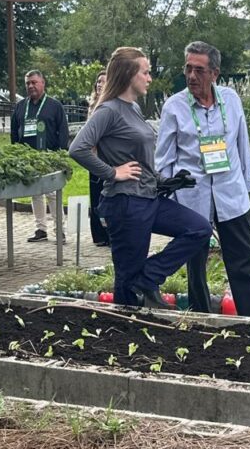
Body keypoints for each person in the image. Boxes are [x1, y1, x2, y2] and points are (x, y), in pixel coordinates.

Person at [69, 47, 211, 307]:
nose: (149, 78)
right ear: (128, 74)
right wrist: (112, 172)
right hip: (125, 204)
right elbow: (77, 148)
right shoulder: (108, 111)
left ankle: (148, 278)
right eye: (145, 72)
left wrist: (163, 180)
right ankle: (122, 334)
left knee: (199, 228)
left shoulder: (132, 108)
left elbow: (139, 154)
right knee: (126, 283)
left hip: (148, 198)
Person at [156, 40, 250, 317]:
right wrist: (170, 193)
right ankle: (200, 319)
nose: (192, 76)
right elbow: (164, 158)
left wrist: (246, 184)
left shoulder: (231, 99)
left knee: (244, 261)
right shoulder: (174, 106)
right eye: (188, 68)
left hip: (231, 193)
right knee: (196, 264)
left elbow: (242, 145)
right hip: (193, 196)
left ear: (215, 73)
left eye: (199, 70)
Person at [10, 69, 69, 243]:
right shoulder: (21, 107)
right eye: (28, 83)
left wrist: (60, 155)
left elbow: (63, 131)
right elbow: (14, 132)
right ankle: (40, 229)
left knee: (52, 194)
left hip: (50, 157)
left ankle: (60, 230)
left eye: (34, 82)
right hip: (29, 159)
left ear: (43, 83)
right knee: (35, 194)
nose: (30, 86)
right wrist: (17, 153)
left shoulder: (54, 105)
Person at [87, 68, 110, 247]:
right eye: (98, 82)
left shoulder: (111, 105)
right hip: (93, 158)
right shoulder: (93, 106)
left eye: (104, 81)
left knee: (106, 196)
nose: (100, 85)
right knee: (95, 197)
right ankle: (98, 234)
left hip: (108, 158)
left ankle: (110, 232)